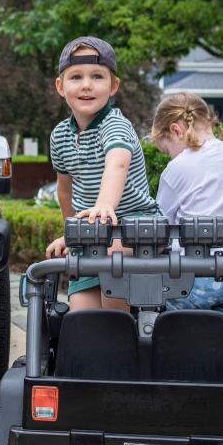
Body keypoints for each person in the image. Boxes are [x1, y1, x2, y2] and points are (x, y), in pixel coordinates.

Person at [44, 36, 160, 310]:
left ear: (113, 86)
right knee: (81, 314)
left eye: (97, 76)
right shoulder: (60, 135)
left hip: (134, 229)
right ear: (60, 86)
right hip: (92, 236)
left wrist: (105, 204)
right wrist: (73, 235)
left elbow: (117, 164)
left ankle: (120, 342)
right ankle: (93, 346)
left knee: (112, 272)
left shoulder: (115, 125)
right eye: (76, 77)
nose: (86, 85)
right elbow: (65, 191)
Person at [150, 92, 223, 327]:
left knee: (150, 312)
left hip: (193, 275)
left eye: (167, 149)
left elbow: (161, 230)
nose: (169, 156)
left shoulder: (178, 167)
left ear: (176, 130)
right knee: (217, 339)